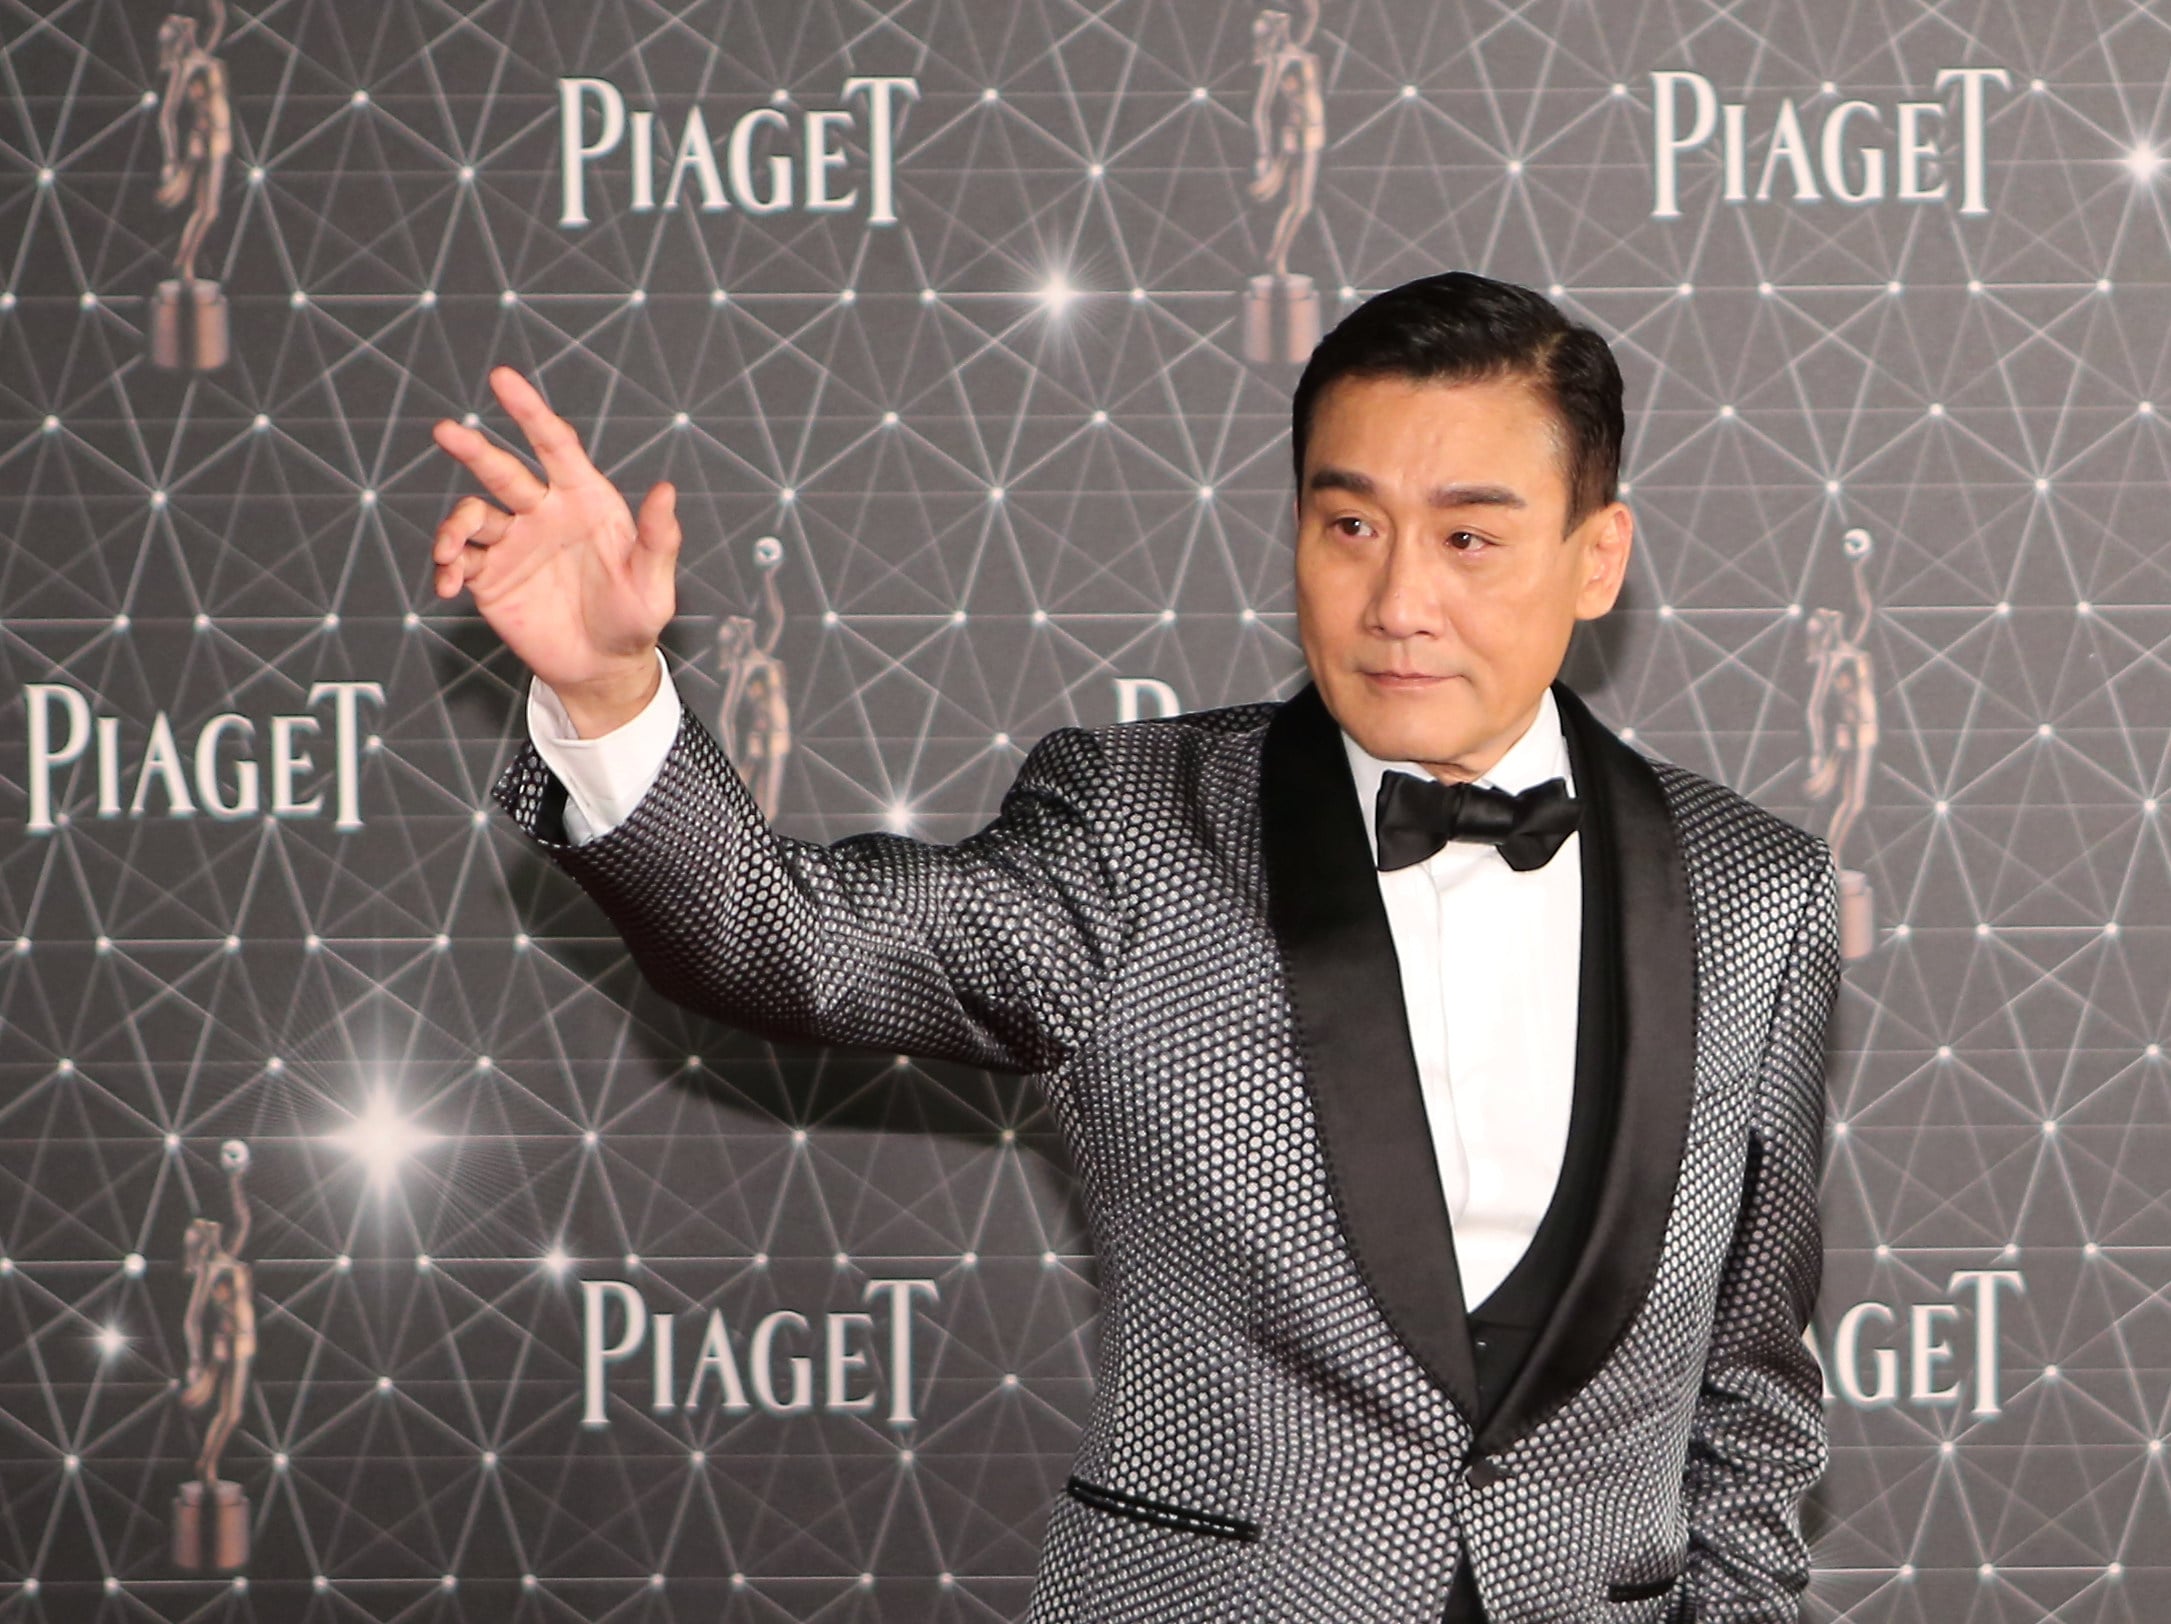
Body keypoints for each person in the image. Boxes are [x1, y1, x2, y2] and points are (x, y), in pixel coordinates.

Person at [429, 272, 1837, 1623]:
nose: (1400, 600)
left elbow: (1747, 1402)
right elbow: (791, 944)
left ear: (1599, 559)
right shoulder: (1135, 833)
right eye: (1349, 527)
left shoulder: (1752, 891)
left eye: (1471, 537)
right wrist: (609, 689)